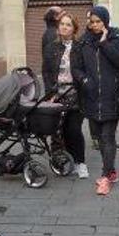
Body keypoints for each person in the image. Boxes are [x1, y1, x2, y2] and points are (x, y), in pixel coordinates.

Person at [73, 6, 119, 196]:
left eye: (98, 21)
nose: (95, 25)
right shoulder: (83, 42)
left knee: (107, 136)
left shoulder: (117, 37)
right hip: (91, 97)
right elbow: (76, 68)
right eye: (92, 21)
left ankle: (105, 176)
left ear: (105, 21)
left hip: (111, 96)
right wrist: (85, 80)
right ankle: (111, 171)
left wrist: (104, 44)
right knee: (97, 137)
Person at [42, 11, 89, 179]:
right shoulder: (51, 47)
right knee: (59, 129)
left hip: (76, 94)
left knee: (74, 129)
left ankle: (80, 163)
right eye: (62, 23)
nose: (64, 27)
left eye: (68, 24)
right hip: (57, 95)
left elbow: (84, 70)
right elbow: (46, 73)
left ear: (74, 29)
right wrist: (50, 94)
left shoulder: (80, 47)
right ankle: (65, 160)